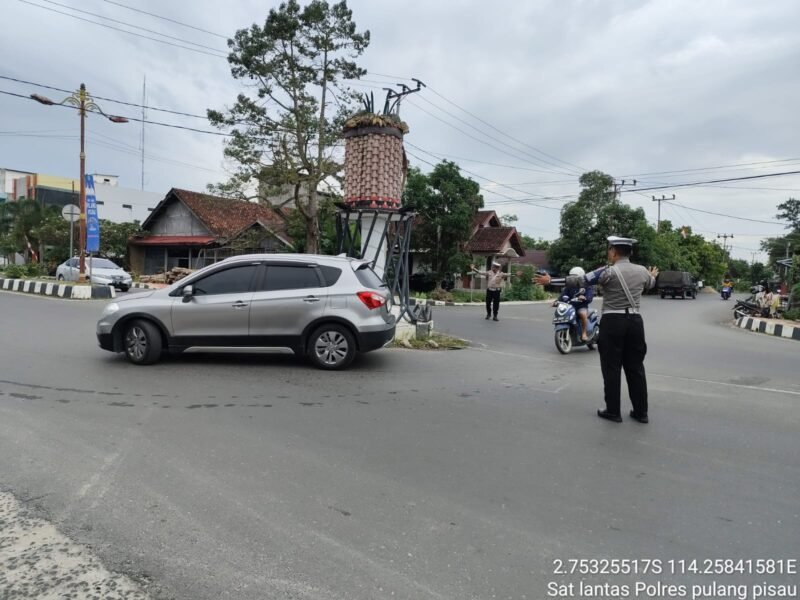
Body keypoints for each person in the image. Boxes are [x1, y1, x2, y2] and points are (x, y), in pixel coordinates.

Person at [536, 236, 659, 424]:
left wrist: (551, 280)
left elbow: (580, 281)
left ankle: (613, 411)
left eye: (609, 250)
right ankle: (641, 412)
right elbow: (651, 284)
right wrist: (652, 276)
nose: (608, 253)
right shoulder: (642, 271)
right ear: (630, 252)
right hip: (635, 322)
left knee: (612, 367)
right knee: (636, 368)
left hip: (613, 320)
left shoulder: (607, 272)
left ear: (614, 252)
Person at [557, 266, 594, 341]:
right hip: (570, 306)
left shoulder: (586, 286)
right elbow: (563, 295)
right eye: (571, 276)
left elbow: (590, 296)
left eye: (574, 277)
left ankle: (584, 333)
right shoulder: (569, 286)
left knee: (582, 314)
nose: (572, 278)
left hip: (581, 306)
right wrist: (556, 301)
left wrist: (585, 298)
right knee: (562, 314)